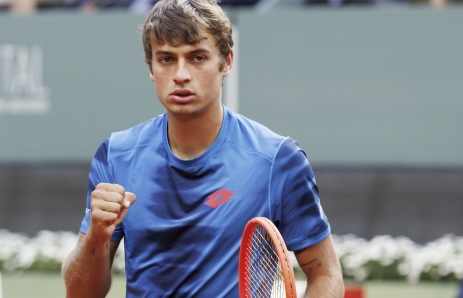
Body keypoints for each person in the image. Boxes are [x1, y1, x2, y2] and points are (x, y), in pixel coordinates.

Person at [61, 0, 345, 296]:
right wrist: (96, 235)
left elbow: (326, 274)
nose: (181, 74)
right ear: (151, 67)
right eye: (167, 59)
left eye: (197, 58)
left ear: (227, 62)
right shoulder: (115, 155)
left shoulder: (277, 160)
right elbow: (80, 293)